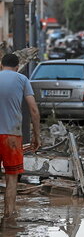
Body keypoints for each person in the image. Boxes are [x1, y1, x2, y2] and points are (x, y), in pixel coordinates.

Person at [0, 54, 41, 228]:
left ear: (1, 65)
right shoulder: (22, 79)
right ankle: (9, 217)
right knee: (11, 179)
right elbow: (33, 109)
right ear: (17, 66)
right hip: (12, 137)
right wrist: (36, 135)